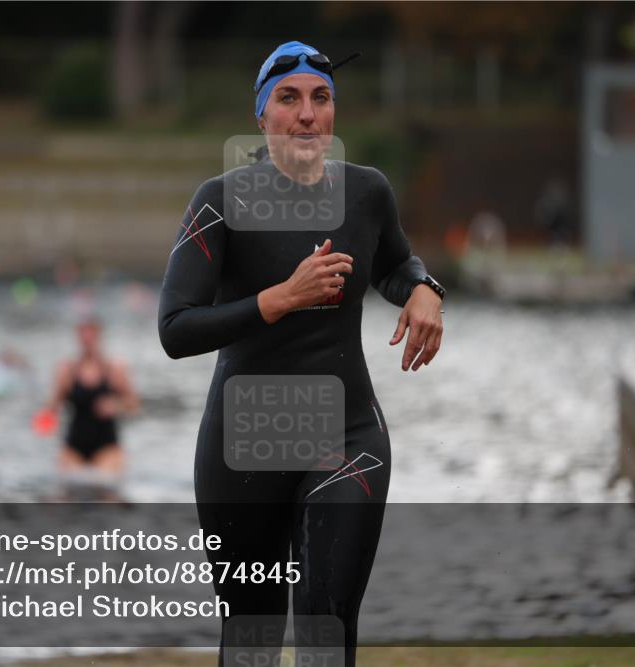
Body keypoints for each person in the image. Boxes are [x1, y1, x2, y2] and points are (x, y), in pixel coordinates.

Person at [158, 41, 445, 666]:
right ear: (261, 115)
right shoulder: (220, 201)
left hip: (347, 433)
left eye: (321, 99)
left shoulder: (367, 193)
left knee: (326, 627)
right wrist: (281, 298)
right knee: (252, 638)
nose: (308, 115)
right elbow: (175, 329)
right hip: (245, 445)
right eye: (289, 99)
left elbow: (394, 263)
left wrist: (423, 288)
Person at [43, 317, 140, 475]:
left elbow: (134, 405)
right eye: (83, 335)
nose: (87, 340)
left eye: (91, 335)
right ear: (78, 337)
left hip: (106, 447)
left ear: (99, 336)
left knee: (103, 487)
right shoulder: (67, 371)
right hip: (74, 447)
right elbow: (52, 407)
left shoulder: (115, 369)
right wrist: (48, 415)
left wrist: (114, 406)